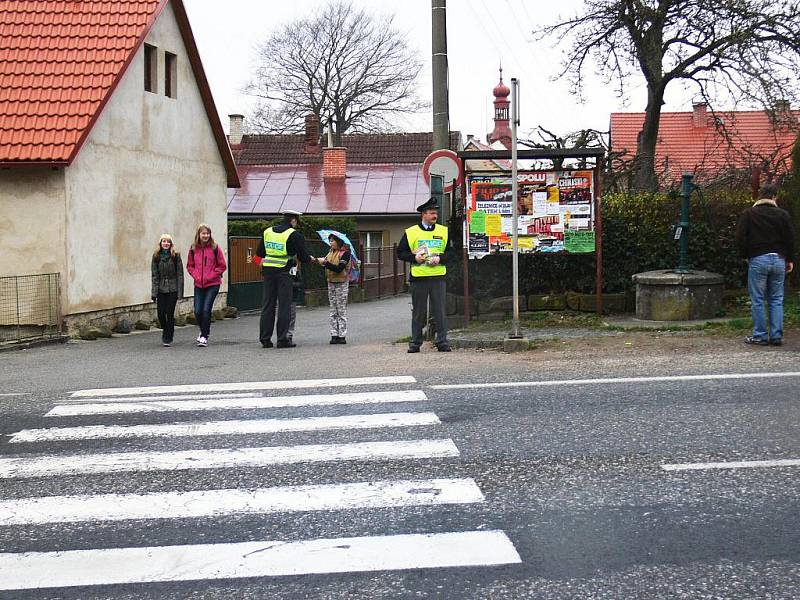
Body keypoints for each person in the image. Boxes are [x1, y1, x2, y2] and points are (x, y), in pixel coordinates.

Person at [736, 184, 796, 346]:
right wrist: (789, 259)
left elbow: (740, 238)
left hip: (758, 259)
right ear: (774, 197)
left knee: (758, 299)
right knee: (776, 299)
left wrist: (746, 256)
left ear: (759, 196)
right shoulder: (783, 215)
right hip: (778, 259)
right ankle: (776, 336)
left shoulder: (749, 214)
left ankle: (760, 335)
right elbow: (790, 239)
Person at [396, 197, 455, 353]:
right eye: (431, 213)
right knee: (418, 312)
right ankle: (415, 343)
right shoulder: (411, 232)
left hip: (438, 277)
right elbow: (400, 253)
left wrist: (440, 258)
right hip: (419, 278)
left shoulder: (443, 231)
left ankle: (442, 342)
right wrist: (414, 257)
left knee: (440, 312)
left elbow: (451, 252)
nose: (435, 216)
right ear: (423, 214)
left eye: (435, 213)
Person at [254, 210, 313, 348]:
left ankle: (265, 339)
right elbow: (303, 257)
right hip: (284, 273)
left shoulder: (267, 232)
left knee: (268, 305)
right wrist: (310, 258)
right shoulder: (294, 234)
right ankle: (282, 339)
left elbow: (259, 254)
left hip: (268, 272)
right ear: (293, 221)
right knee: (284, 306)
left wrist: (263, 264)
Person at [186, 223, 226, 347]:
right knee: (198, 311)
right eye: (203, 233)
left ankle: (204, 336)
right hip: (199, 284)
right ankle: (203, 330)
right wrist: (196, 275)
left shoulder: (215, 248)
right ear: (199, 234)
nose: (205, 235)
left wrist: (212, 275)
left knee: (206, 309)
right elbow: (190, 266)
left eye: (207, 233)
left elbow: (222, 266)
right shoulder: (193, 249)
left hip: (213, 284)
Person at [316, 233, 351, 344]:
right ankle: (334, 334)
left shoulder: (345, 253)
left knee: (340, 309)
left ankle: (342, 335)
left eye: (332, 240)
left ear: (339, 242)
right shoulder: (330, 252)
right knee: (333, 309)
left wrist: (326, 263)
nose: (330, 243)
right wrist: (319, 261)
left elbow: (339, 269)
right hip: (331, 283)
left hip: (341, 283)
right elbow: (326, 263)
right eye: (330, 240)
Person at [151, 234, 183, 347]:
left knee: (169, 313)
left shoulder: (176, 256)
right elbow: (155, 276)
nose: (166, 243)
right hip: (161, 288)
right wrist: (154, 293)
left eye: (168, 241)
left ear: (171, 244)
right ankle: (166, 329)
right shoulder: (156, 256)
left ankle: (168, 336)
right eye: (164, 241)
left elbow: (180, 275)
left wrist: (180, 292)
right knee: (160, 314)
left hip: (173, 288)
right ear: (160, 243)